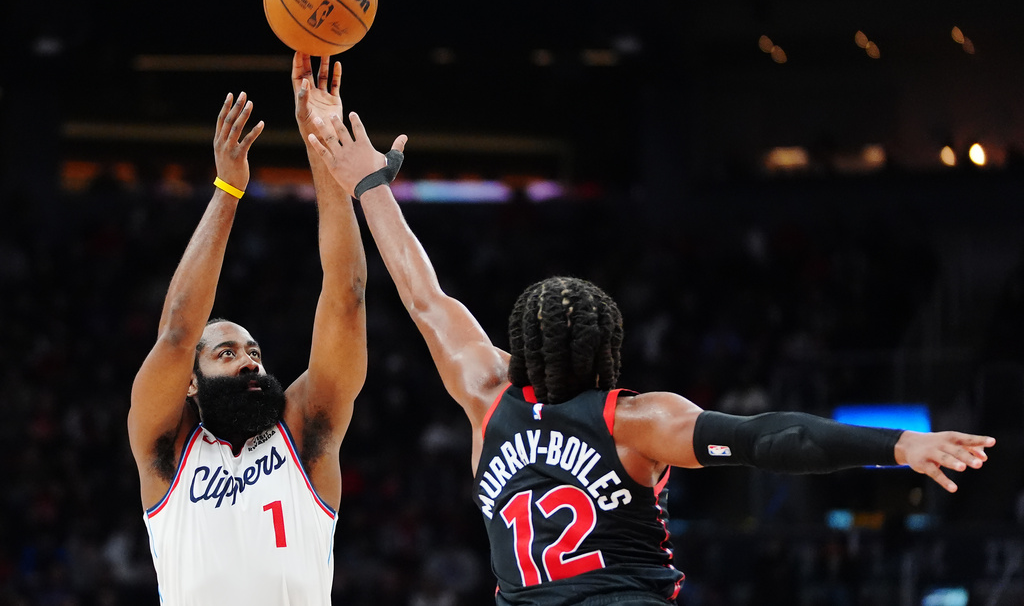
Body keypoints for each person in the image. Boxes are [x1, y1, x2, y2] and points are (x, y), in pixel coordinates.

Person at [304, 112, 996, 606]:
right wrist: (899, 443)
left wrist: (371, 185)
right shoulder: (634, 421)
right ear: (609, 349)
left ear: (521, 346)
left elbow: (424, 296)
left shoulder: (486, 394)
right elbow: (775, 439)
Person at [128, 53, 366, 605]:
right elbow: (177, 333)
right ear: (191, 381)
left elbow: (347, 296)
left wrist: (323, 151)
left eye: (253, 351)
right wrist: (226, 192)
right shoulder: (167, 450)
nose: (249, 361)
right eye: (227, 353)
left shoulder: (305, 434)